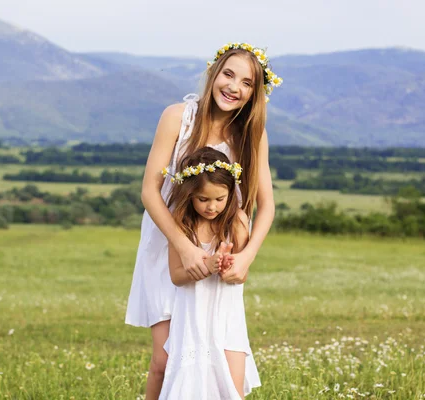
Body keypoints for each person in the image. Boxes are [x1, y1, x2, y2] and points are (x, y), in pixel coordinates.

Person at [125, 42, 282, 399]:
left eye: (246, 83)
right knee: (164, 360)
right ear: (214, 73)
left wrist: (246, 257)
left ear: (255, 93)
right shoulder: (178, 116)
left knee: (215, 356)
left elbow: (266, 204)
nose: (234, 87)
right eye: (229, 74)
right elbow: (150, 191)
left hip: (216, 246)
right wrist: (182, 247)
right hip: (167, 243)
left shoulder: (251, 135)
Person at [159, 147, 260, 399]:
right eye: (203, 199)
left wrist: (227, 268)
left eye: (219, 199)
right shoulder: (182, 225)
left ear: (230, 194)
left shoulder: (236, 222)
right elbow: (176, 276)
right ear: (189, 194)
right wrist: (207, 267)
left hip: (227, 318)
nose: (211, 207)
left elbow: (242, 275)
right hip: (192, 318)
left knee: (231, 390)